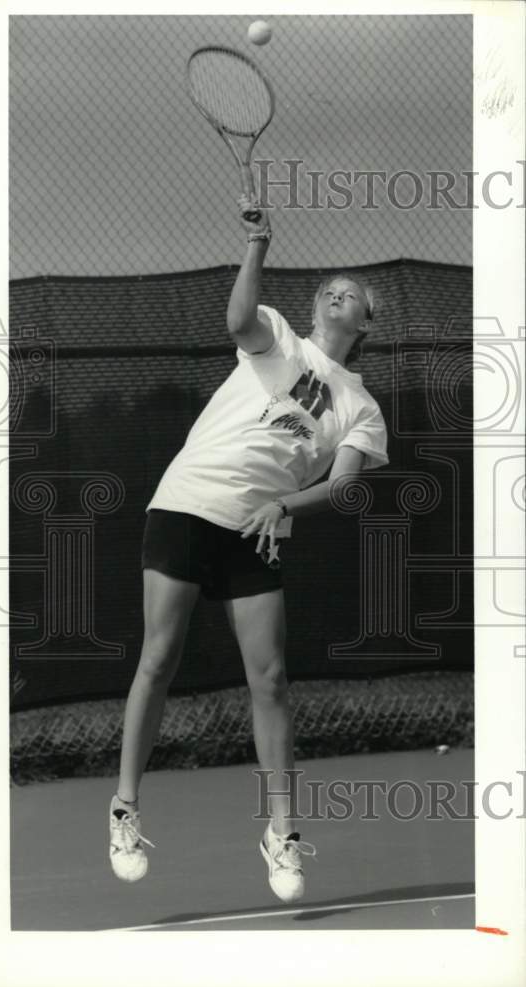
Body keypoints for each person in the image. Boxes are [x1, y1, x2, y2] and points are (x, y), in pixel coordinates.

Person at [109, 196, 389, 903]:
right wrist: (256, 245)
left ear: (363, 323)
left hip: (256, 531)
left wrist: (283, 504)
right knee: (158, 659)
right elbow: (237, 319)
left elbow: (344, 481)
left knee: (268, 680)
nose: (336, 292)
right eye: (330, 287)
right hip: (185, 504)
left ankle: (281, 832)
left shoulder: (358, 405)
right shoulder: (277, 338)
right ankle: (123, 810)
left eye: (350, 294)